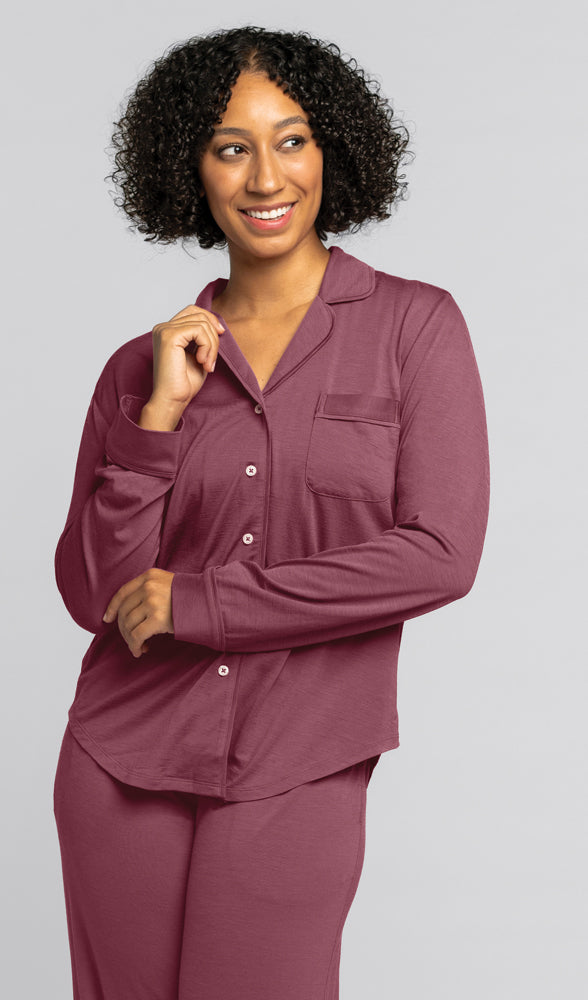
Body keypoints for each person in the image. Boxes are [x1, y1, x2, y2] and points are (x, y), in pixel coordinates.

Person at [52, 25, 490, 1000]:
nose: (264, 176)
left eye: (290, 140)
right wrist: (155, 421)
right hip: (121, 752)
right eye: (229, 146)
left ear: (333, 151)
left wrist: (206, 601)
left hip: (301, 754)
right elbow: (96, 595)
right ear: (189, 170)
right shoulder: (142, 363)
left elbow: (438, 555)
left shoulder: (414, 326)